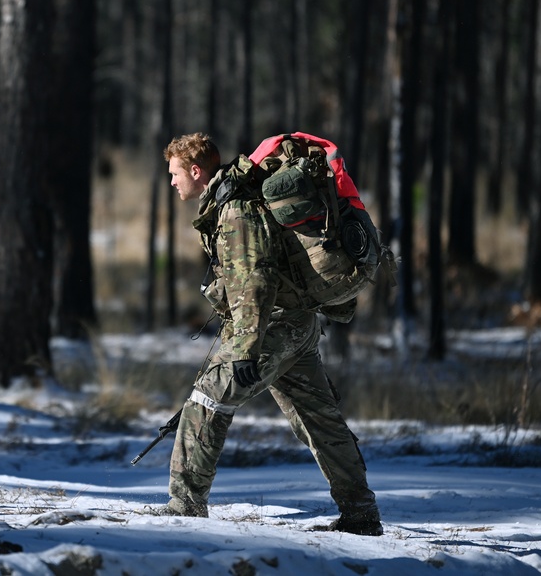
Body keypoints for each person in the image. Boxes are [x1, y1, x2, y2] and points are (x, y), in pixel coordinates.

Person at [158, 132, 382, 536]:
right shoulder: (232, 201)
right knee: (320, 419)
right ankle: (361, 514)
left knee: (208, 399)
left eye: (175, 174)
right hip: (295, 322)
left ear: (196, 170)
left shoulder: (236, 209)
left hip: (273, 325)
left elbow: (253, 279)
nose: (172, 182)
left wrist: (245, 348)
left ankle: (184, 506)